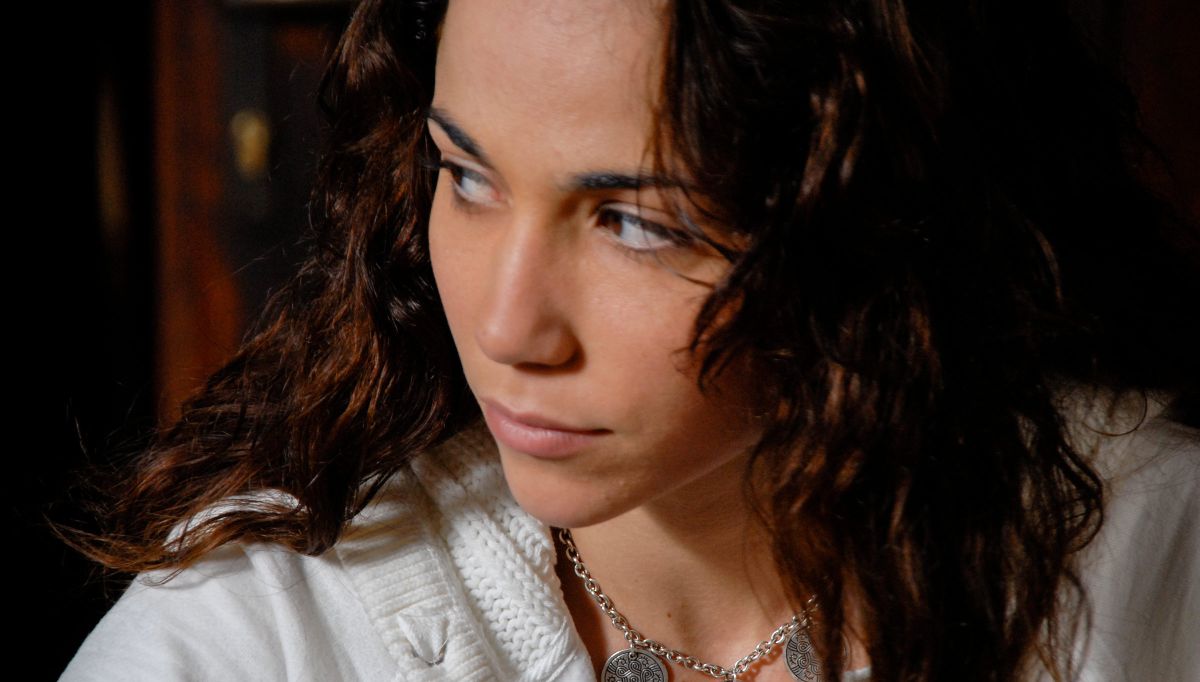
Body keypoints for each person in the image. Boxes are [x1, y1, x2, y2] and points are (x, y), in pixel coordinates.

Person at [56, 0, 1200, 680]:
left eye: (637, 224)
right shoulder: (271, 627)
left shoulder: (1148, 551)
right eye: (466, 176)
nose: (506, 328)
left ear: (867, 212)